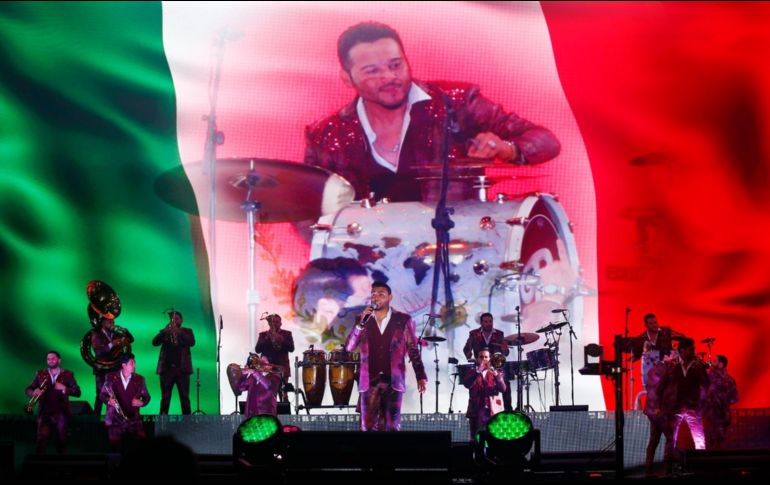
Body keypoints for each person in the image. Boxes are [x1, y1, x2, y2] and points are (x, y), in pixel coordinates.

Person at [304, 21, 561, 202]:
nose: (390, 77)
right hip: (368, 266)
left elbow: (547, 141)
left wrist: (507, 149)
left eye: (396, 65)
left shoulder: (456, 104)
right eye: (372, 71)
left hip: (456, 254)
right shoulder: (327, 135)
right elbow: (306, 207)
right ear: (347, 78)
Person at [345, 280, 428, 431]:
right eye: (373, 294)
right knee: (368, 428)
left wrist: (420, 375)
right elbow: (349, 347)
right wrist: (360, 325)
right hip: (369, 381)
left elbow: (412, 348)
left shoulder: (402, 320)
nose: (376, 297)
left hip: (393, 381)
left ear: (390, 297)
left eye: (381, 294)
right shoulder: (362, 320)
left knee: (392, 428)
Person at [655, 338, 709, 473]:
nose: (694, 351)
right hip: (674, 407)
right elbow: (660, 387)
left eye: (694, 349)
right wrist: (658, 406)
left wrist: (701, 370)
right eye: (691, 349)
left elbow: (706, 385)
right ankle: (667, 469)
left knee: (700, 439)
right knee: (671, 440)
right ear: (682, 350)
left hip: (693, 407)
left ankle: (701, 468)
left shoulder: (698, 366)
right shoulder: (671, 365)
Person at [25, 351, 81, 453]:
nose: (50, 361)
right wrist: (33, 392)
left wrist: (65, 388)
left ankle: (61, 465)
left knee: (61, 441)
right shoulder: (40, 373)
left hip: (61, 413)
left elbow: (77, 392)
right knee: (41, 440)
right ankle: (40, 465)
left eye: (53, 358)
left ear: (59, 360)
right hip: (44, 412)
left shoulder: (68, 374)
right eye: (48, 359)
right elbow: (28, 389)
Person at [100, 353, 150, 452]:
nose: (134, 366)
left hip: (133, 420)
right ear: (124, 365)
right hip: (115, 420)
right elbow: (102, 395)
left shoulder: (139, 379)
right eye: (132, 363)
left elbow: (147, 397)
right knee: (115, 450)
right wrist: (109, 401)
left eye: (135, 363)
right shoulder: (111, 377)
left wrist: (142, 402)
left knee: (137, 449)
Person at [463, 312, 512, 410]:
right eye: (486, 322)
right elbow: (466, 349)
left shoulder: (499, 334)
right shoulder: (474, 334)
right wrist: (470, 356)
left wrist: (505, 349)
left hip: (496, 365)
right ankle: (476, 411)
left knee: (505, 384)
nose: (488, 323)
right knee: (475, 388)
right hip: (480, 366)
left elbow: (505, 353)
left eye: (490, 321)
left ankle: (508, 410)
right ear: (481, 323)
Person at [152, 310, 196, 415]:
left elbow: (192, 342)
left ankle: (187, 423)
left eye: (176, 319)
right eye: (172, 319)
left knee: (185, 398)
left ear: (181, 320)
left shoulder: (187, 331)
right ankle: (163, 422)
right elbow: (154, 342)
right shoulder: (166, 332)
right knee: (165, 398)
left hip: (182, 371)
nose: (174, 321)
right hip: (166, 371)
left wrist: (178, 331)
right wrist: (164, 331)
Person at [91, 315, 134, 417]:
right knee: (100, 395)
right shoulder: (96, 334)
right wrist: (112, 344)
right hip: (102, 368)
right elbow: (98, 351)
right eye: (109, 322)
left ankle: (113, 417)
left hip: (114, 368)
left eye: (113, 322)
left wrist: (125, 331)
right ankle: (95, 418)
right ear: (103, 323)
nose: (112, 324)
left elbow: (131, 340)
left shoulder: (115, 333)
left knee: (115, 393)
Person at [462, 348, 507, 440]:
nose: (483, 359)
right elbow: (467, 384)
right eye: (481, 357)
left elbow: (503, 389)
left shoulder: (497, 372)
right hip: (476, 410)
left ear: (490, 358)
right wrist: (478, 371)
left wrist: (495, 373)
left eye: (486, 357)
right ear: (477, 359)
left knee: (493, 437)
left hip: (492, 410)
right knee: (476, 438)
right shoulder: (471, 372)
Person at [631, 313, 684, 387]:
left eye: (655, 322)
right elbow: (636, 355)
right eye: (651, 323)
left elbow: (682, 337)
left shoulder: (666, 332)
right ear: (646, 326)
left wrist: (676, 353)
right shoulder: (642, 338)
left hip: (667, 368)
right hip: (651, 373)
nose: (654, 325)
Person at [642, 357, 674, 477]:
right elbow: (662, 390)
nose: (675, 355)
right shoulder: (667, 369)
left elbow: (648, 387)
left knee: (654, 440)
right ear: (666, 356)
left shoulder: (652, 368)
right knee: (671, 438)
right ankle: (666, 471)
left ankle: (648, 470)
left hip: (651, 410)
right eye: (672, 354)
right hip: (660, 410)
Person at [703, 355, 738, 449]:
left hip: (718, 414)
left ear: (721, 364)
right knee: (715, 438)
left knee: (717, 439)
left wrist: (721, 401)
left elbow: (734, 397)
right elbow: (734, 398)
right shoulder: (728, 379)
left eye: (715, 360)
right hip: (714, 414)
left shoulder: (714, 377)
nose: (712, 362)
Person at [255, 313, 294, 397]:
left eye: (277, 322)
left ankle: (284, 410)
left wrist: (281, 339)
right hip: (267, 369)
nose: (274, 324)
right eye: (273, 322)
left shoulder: (287, 334)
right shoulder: (263, 335)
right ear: (269, 323)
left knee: (283, 395)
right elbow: (257, 350)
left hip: (282, 368)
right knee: (269, 395)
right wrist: (266, 338)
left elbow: (291, 348)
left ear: (281, 323)